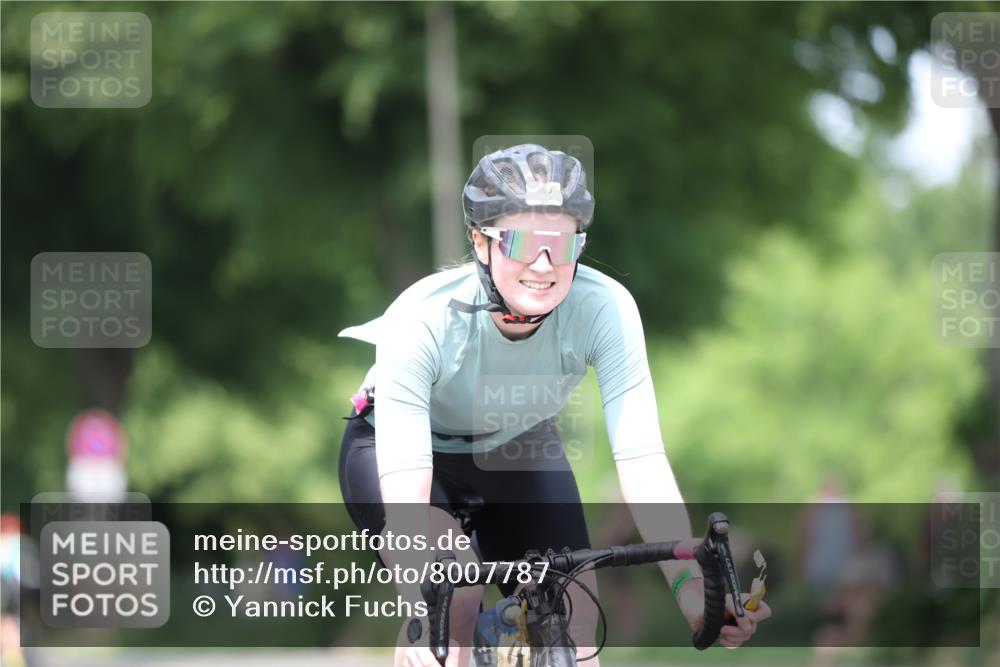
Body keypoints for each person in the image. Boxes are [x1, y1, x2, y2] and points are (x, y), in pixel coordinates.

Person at [338, 144, 770, 667]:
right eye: (523, 242)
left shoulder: (606, 308)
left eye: (562, 244)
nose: (544, 265)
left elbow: (644, 466)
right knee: (455, 598)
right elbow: (407, 496)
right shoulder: (420, 319)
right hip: (399, 452)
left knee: (575, 621)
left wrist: (692, 593)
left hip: (517, 445)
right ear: (481, 242)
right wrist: (421, 608)